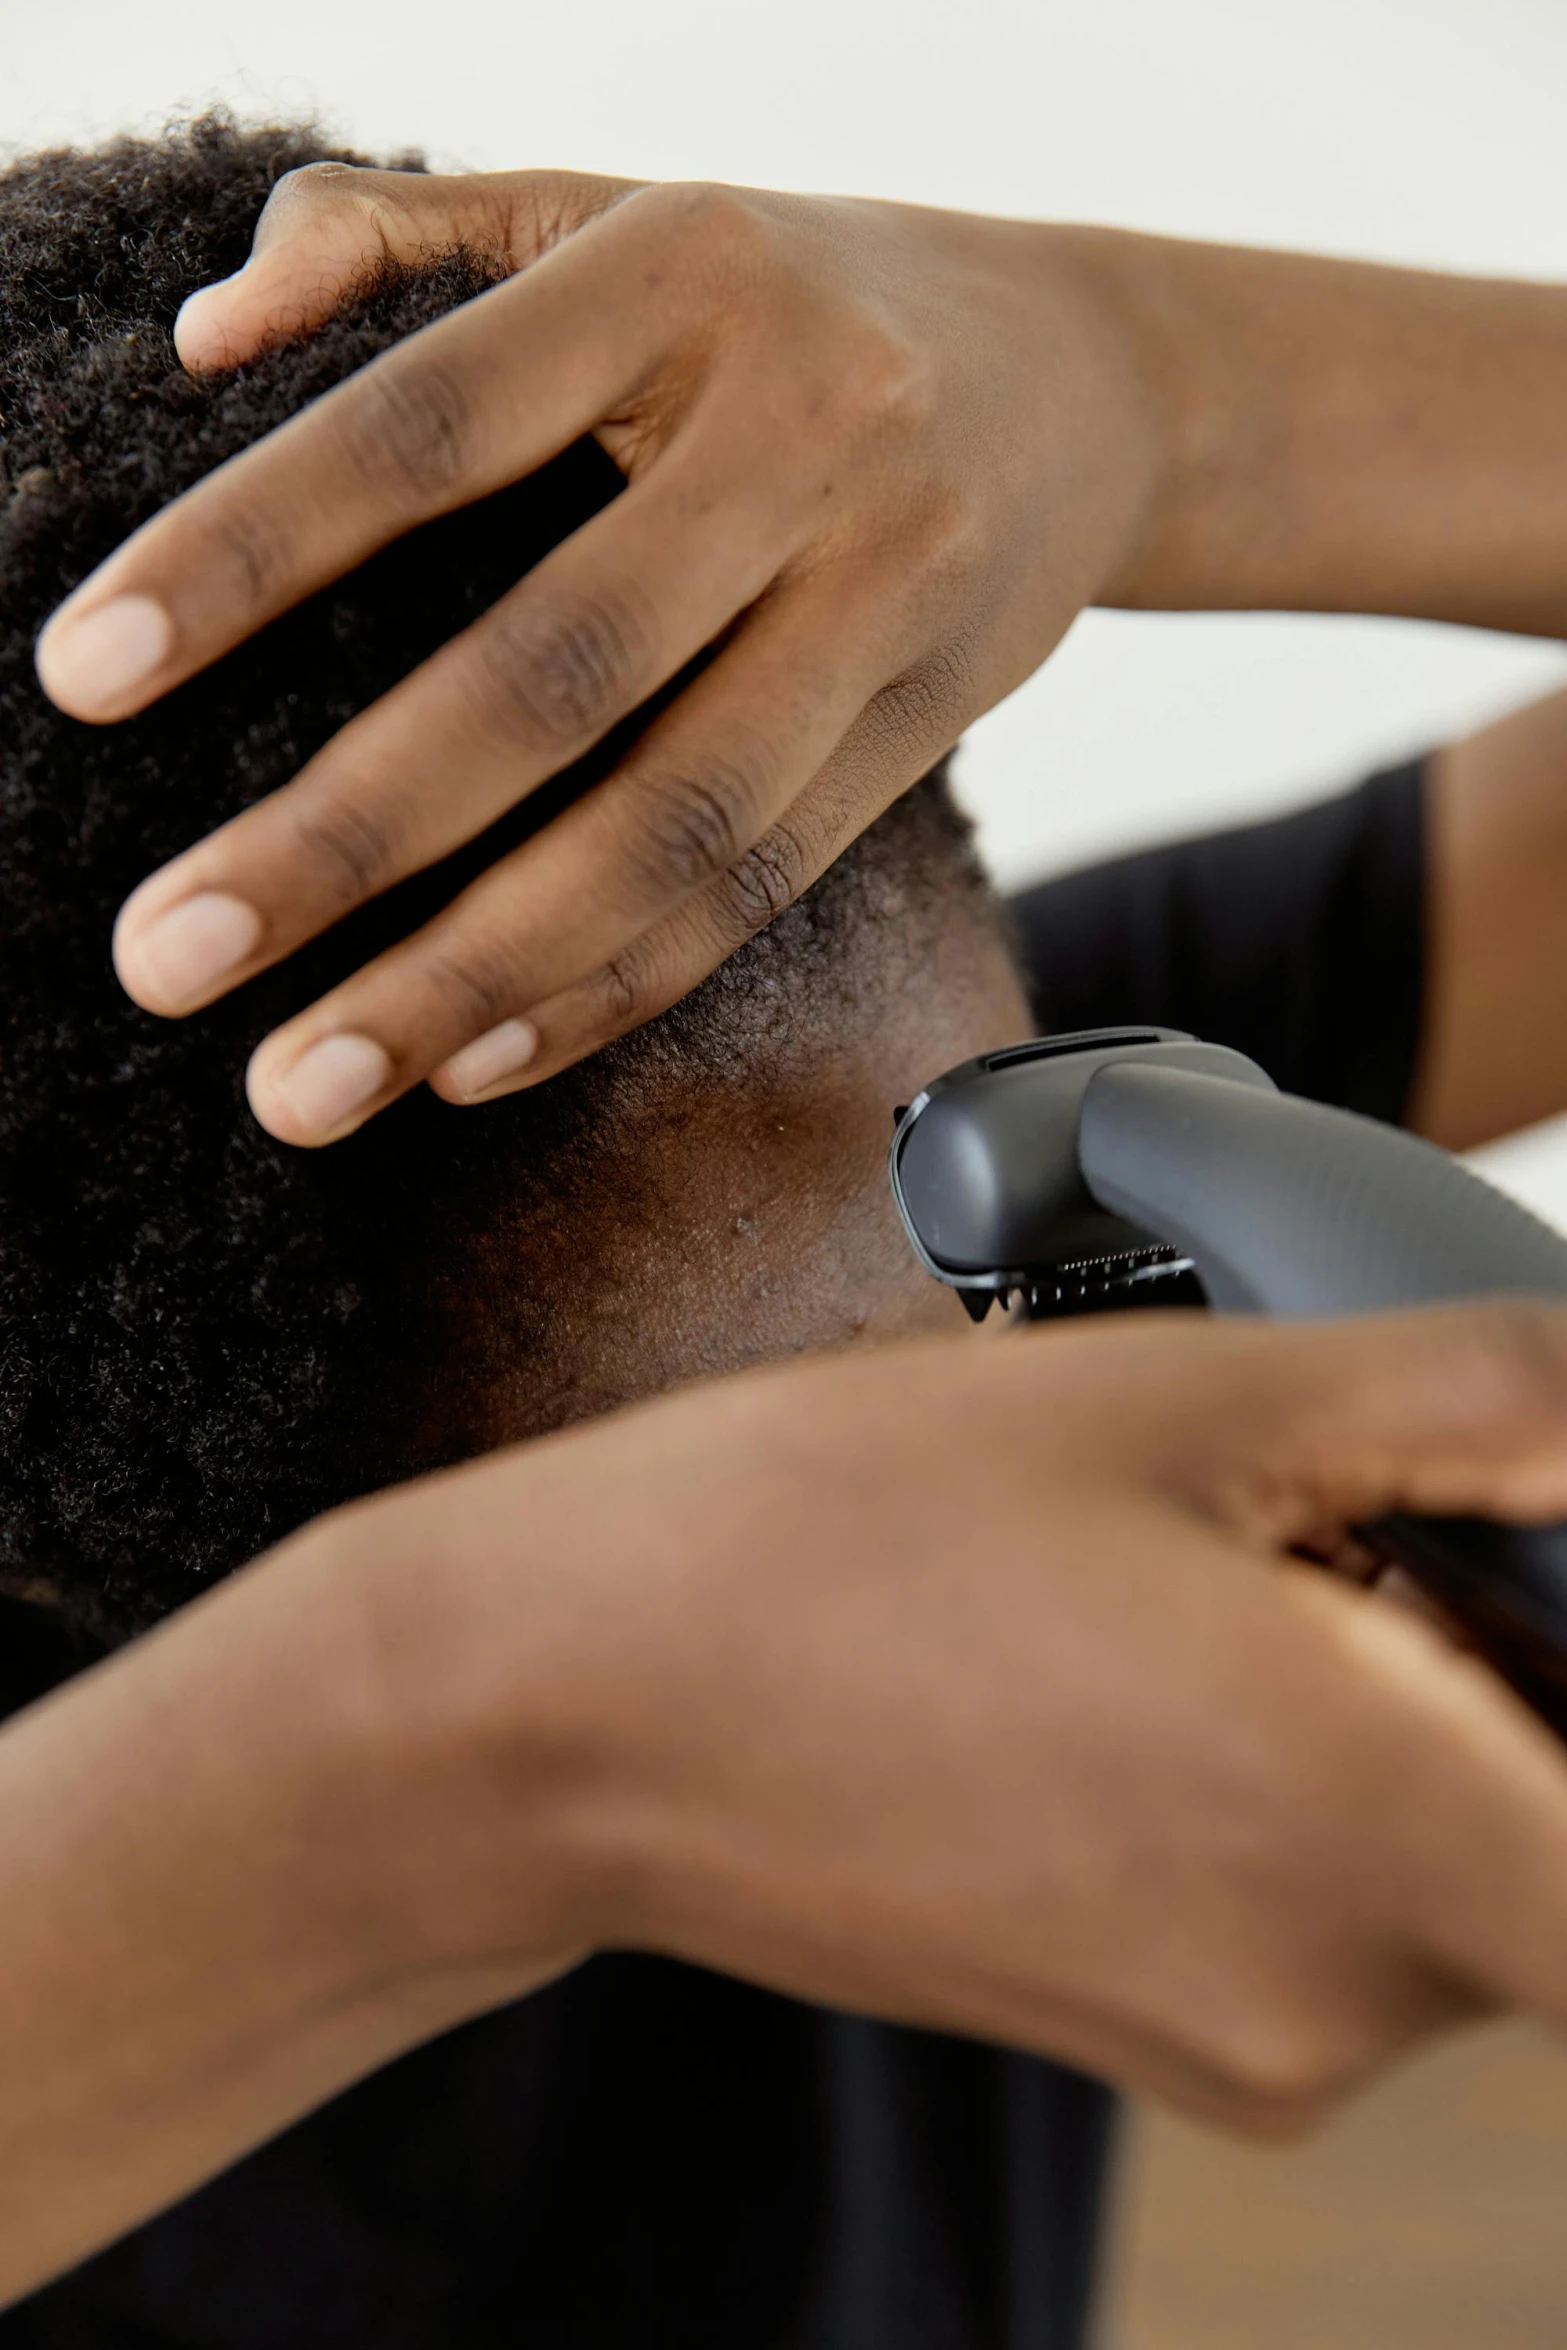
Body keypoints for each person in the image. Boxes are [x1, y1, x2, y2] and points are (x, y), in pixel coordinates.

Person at [10, 118, 1567, 2345]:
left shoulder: (1038, 1127)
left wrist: (1189, 388)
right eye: (785, 1529)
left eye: (1057, 1310)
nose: (1049, 1468)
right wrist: (475, 1749)